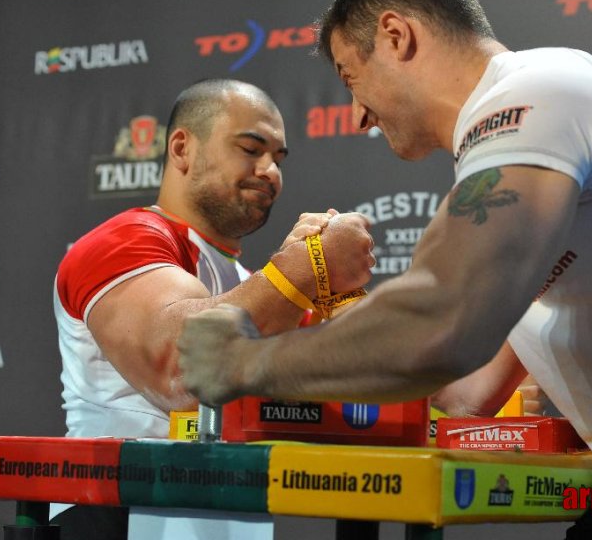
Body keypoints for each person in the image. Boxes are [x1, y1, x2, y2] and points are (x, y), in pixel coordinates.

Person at [176, 0, 592, 539]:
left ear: (395, 35)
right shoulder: (513, 148)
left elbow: (442, 325)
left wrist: (246, 360)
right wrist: (340, 310)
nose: (358, 115)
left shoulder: (536, 97)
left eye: (350, 78)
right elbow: (464, 395)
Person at [51, 78, 374, 539]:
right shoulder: (121, 242)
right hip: (113, 517)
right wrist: (306, 267)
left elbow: (346, 397)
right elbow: (183, 371)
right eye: (250, 148)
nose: (270, 171)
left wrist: (339, 296)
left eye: (278, 159)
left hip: (225, 520)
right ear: (182, 148)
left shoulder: (250, 290)